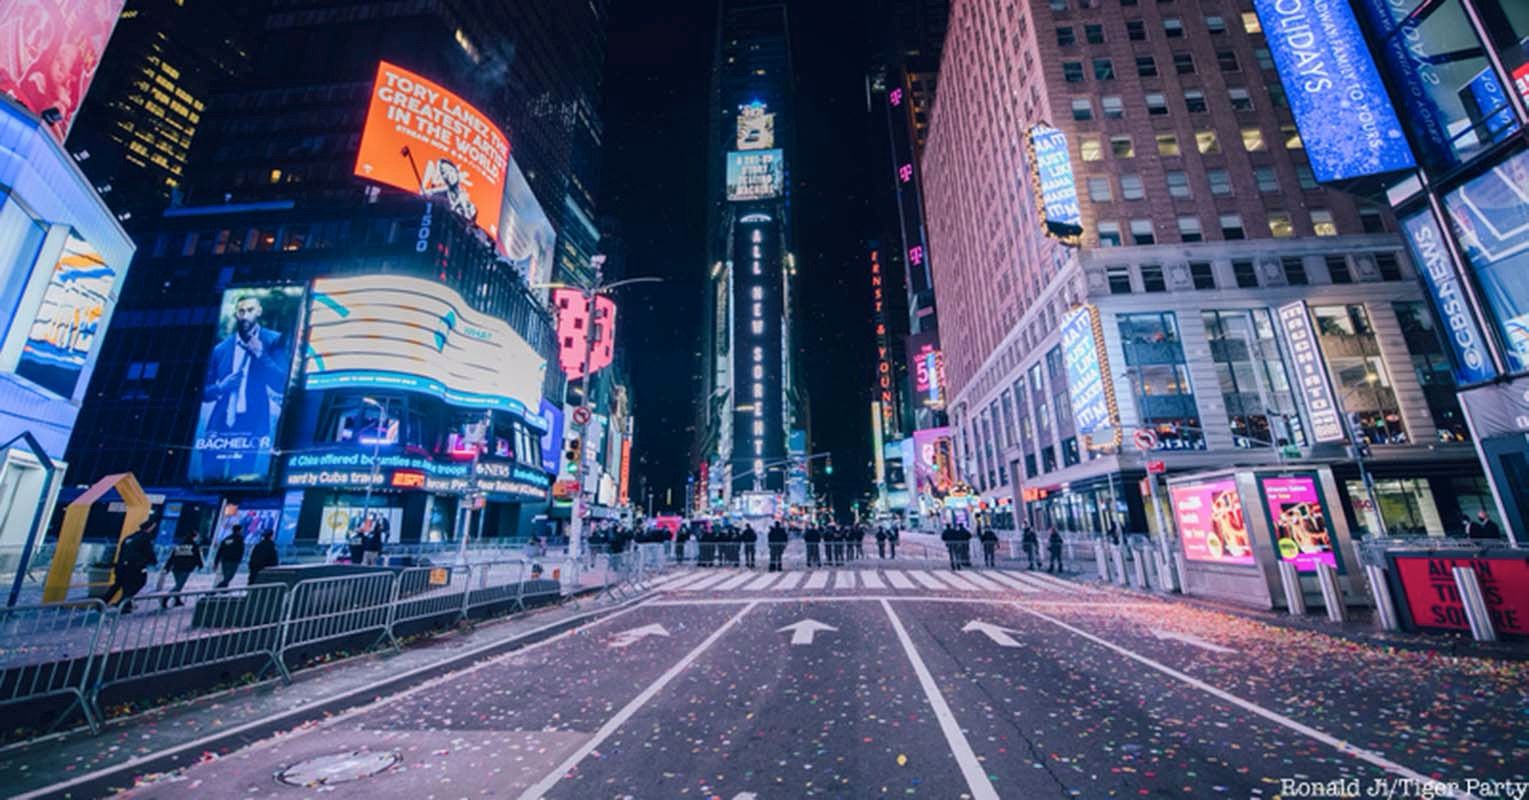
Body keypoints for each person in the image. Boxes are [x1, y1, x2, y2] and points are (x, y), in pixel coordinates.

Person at [196, 294, 289, 481]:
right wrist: (220, 387)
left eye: (250, 310)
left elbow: (281, 383)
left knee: (241, 478)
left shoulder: (273, 340)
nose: (245, 315)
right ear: (235, 314)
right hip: (220, 423)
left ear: (259, 311)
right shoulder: (220, 349)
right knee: (209, 478)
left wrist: (261, 354)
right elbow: (203, 392)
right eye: (241, 311)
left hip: (251, 422)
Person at [109, 519, 159, 613]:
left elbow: (122, 552)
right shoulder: (145, 538)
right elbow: (149, 551)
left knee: (121, 584)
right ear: (150, 528)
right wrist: (154, 561)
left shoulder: (130, 537)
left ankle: (113, 603)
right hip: (136, 565)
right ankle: (122, 602)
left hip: (123, 565)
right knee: (140, 582)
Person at [160, 529, 204, 608]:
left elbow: (172, 557)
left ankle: (177, 601)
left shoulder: (180, 545)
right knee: (179, 586)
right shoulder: (194, 546)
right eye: (197, 536)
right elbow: (197, 557)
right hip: (185, 569)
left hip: (176, 568)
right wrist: (200, 566)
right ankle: (165, 598)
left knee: (178, 584)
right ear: (194, 537)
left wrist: (167, 567)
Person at [214, 524, 246, 588]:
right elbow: (241, 551)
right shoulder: (240, 539)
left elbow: (220, 550)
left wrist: (216, 562)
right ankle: (219, 587)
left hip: (225, 560)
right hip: (234, 561)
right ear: (239, 531)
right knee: (229, 576)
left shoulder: (227, 539)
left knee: (226, 575)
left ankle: (224, 589)